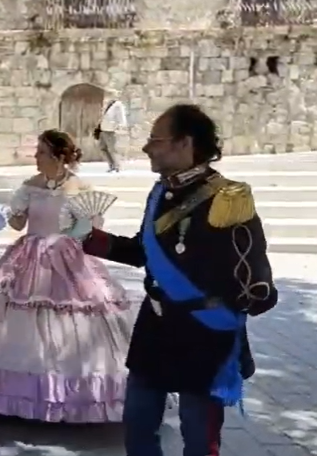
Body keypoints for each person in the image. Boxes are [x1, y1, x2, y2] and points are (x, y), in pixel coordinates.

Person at [81, 104, 278, 456]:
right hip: (154, 329)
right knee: (138, 430)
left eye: (155, 140)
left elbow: (256, 278)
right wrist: (90, 239)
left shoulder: (227, 198)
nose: (146, 148)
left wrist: (247, 297)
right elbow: (144, 251)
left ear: (184, 143)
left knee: (199, 439)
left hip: (203, 335)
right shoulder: (160, 193)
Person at [0, 129, 133, 422]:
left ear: (57, 156)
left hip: (68, 256)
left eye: (40, 152)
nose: (35, 157)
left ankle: (71, 395)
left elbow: (90, 228)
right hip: (30, 254)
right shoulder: (30, 185)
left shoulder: (79, 187)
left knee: (71, 313)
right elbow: (18, 222)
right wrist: (7, 217)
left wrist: (80, 229)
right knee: (18, 310)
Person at [93, 89, 127, 173]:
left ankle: (117, 166)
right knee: (102, 148)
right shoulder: (108, 104)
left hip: (110, 129)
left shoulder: (117, 105)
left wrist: (119, 126)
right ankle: (111, 165)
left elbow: (121, 117)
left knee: (112, 148)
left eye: (110, 94)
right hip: (103, 129)